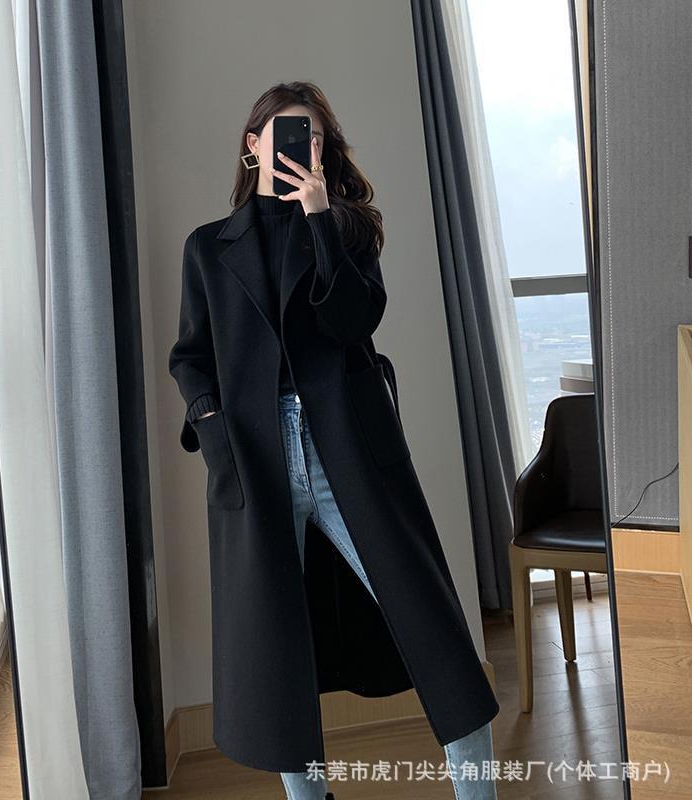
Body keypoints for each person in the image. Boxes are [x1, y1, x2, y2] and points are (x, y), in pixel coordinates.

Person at [169, 81, 499, 800]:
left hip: (345, 450)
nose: (302, 147)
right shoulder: (207, 248)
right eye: (287, 133)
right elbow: (190, 356)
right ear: (252, 144)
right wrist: (213, 426)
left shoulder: (348, 231)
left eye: (314, 137)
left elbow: (354, 322)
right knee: (277, 653)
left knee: (432, 629)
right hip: (255, 460)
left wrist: (319, 218)